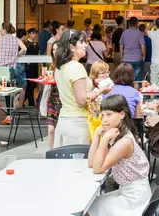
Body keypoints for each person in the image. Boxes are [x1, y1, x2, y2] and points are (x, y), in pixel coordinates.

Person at [87, 95, 151, 216]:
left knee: (91, 209)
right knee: (90, 206)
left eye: (109, 114)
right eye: (103, 115)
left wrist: (104, 139)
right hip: (126, 192)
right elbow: (92, 163)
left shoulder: (124, 141)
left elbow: (97, 168)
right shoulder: (118, 134)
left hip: (134, 198)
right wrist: (96, 135)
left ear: (122, 114)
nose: (104, 119)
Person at [54, 29, 110, 147]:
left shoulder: (60, 67)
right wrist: (100, 90)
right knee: (78, 164)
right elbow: (82, 100)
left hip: (63, 121)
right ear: (72, 47)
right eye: (81, 42)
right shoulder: (76, 67)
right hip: (77, 123)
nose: (85, 45)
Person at [0, 22, 27, 117]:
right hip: (10, 71)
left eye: (0, 28)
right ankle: (9, 112)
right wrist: (17, 55)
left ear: (4, 29)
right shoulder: (16, 39)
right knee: (8, 87)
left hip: (0, 70)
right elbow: (24, 48)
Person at [45, 21, 65, 149]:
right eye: (53, 50)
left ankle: (59, 149)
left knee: (61, 128)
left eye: (56, 49)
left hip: (63, 99)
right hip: (52, 98)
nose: (55, 51)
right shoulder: (51, 65)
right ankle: (51, 151)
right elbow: (48, 79)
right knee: (51, 129)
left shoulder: (66, 65)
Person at [119, 17, 146, 82]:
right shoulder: (139, 33)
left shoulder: (124, 33)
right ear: (137, 24)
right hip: (137, 58)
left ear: (129, 23)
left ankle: (128, 91)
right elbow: (143, 46)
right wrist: (144, 56)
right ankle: (135, 91)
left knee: (127, 78)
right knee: (137, 79)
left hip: (126, 58)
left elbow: (121, 45)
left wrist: (121, 57)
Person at [24, 28, 40, 107]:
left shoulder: (36, 43)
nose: (35, 35)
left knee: (34, 85)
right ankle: (25, 100)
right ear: (29, 34)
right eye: (33, 33)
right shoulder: (26, 44)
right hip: (29, 66)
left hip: (35, 65)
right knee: (30, 85)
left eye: (35, 33)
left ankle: (31, 103)